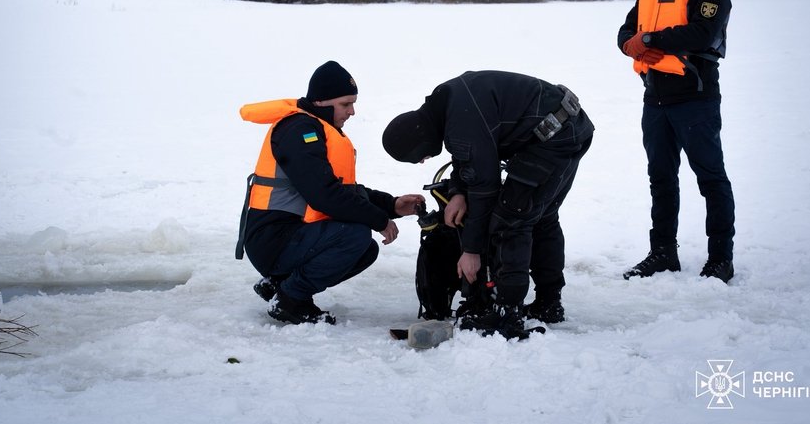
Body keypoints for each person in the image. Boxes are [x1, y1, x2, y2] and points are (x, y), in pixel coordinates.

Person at [381, 71, 594, 339]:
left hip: (555, 137)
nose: (423, 161)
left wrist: (471, 250)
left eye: (419, 157)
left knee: (511, 217)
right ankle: (549, 303)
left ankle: (507, 312)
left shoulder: (459, 120)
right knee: (542, 217)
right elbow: (469, 154)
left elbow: (485, 187)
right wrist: (458, 191)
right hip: (566, 125)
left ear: (420, 141)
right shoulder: (446, 104)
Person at [236, 61, 425, 325]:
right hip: (273, 239)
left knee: (365, 249)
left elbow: (344, 192)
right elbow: (324, 195)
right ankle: (290, 299)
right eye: (346, 104)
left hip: (290, 236)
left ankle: (278, 284)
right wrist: (379, 220)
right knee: (355, 236)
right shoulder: (300, 130)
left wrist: (392, 205)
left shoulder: (317, 129)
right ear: (323, 102)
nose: (352, 112)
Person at [617, 0, 744, 284]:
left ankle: (721, 258)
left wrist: (651, 39)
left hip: (695, 97)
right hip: (655, 98)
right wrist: (631, 45)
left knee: (710, 177)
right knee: (660, 178)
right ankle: (663, 252)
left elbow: (703, 33)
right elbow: (626, 30)